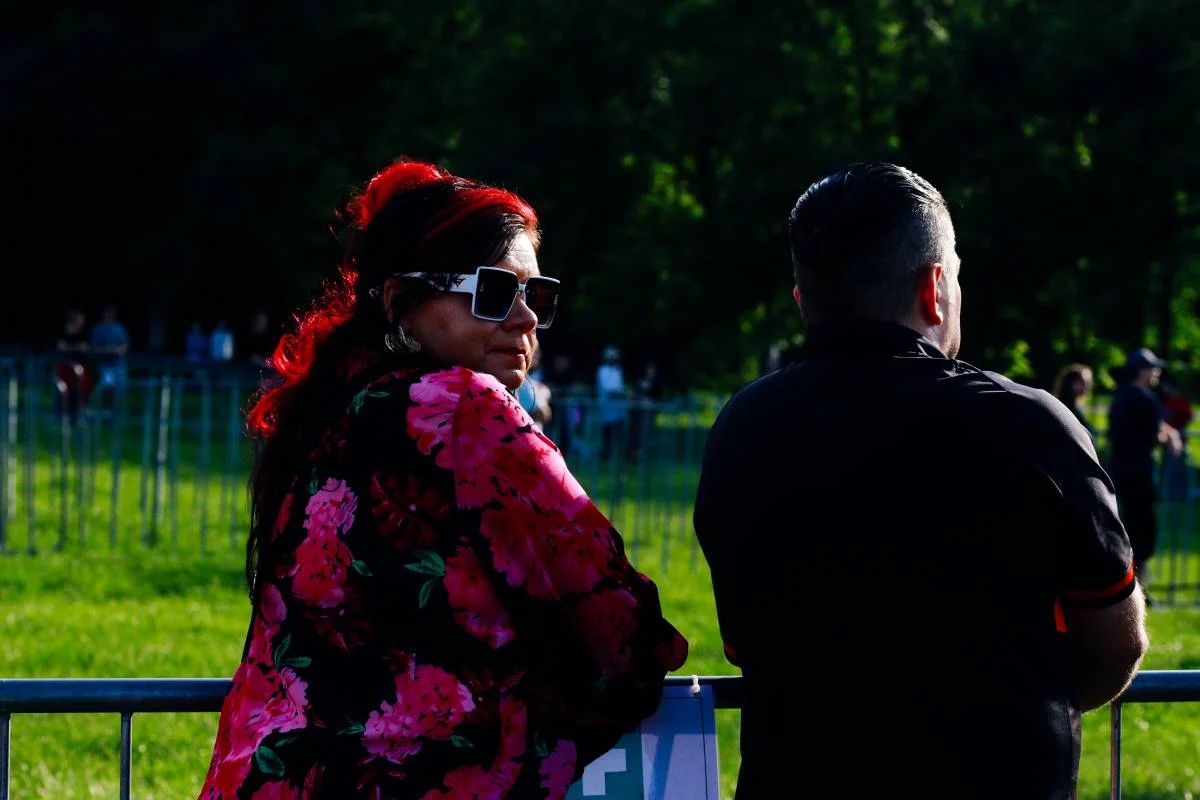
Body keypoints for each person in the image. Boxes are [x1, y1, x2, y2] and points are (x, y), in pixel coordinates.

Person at [199, 158, 687, 800]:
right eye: (494, 291)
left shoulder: (320, 412)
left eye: (537, 295)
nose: (525, 319)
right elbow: (620, 631)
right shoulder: (462, 407)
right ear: (401, 302)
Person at [692, 162, 1148, 800]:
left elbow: (747, 644)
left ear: (803, 301)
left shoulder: (740, 430)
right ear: (936, 288)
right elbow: (1116, 642)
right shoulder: (1029, 428)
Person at [1108, 348, 1183, 587]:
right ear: (1142, 371)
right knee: (1142, 537)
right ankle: (1139, 590)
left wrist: (1166, 431)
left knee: (1124, 533)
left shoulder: (1121, 397)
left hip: (1119, 473)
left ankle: (1125, 586)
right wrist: (1170, 437)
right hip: (1141, 475)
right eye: (1153, 368)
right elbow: (1154, 434)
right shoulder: (1147, 400)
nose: (1157, 373)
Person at [1158, 372, 1193, 501]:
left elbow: (1187, 418)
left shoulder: (1181, 401)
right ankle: (1170, 493)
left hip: (1179, 441)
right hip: (1167, 441)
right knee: (1168, 467)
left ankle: (1180, 494)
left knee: (1178, 468)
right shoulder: (1166, 401)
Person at [89, 304, 130, 402]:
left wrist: (120, 350)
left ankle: (113, 408)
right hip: (105, 365)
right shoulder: (99, 329)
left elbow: (125, 345)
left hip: (118, 364)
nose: (110, 315)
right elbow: (95, 348)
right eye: (108, 313)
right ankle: (105, 407)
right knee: (108, 385)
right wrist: (110, 350)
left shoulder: (119, 329)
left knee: (119, 387)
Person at [595, 346, 626, 459]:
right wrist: (616, 393)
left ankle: (613, 453)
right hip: (606, 405)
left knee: (616, 430)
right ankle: (605, 452)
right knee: (606, 430)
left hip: (616, 406)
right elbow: (605, 387)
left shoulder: (618, 370)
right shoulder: (602, 370)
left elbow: (619, 387)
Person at [1051, 362, 1096, 439]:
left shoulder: (1071, 404)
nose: (1087, 386)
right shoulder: (1066, 406)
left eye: (1088, 382)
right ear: (1071, 383)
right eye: (1082, 382)